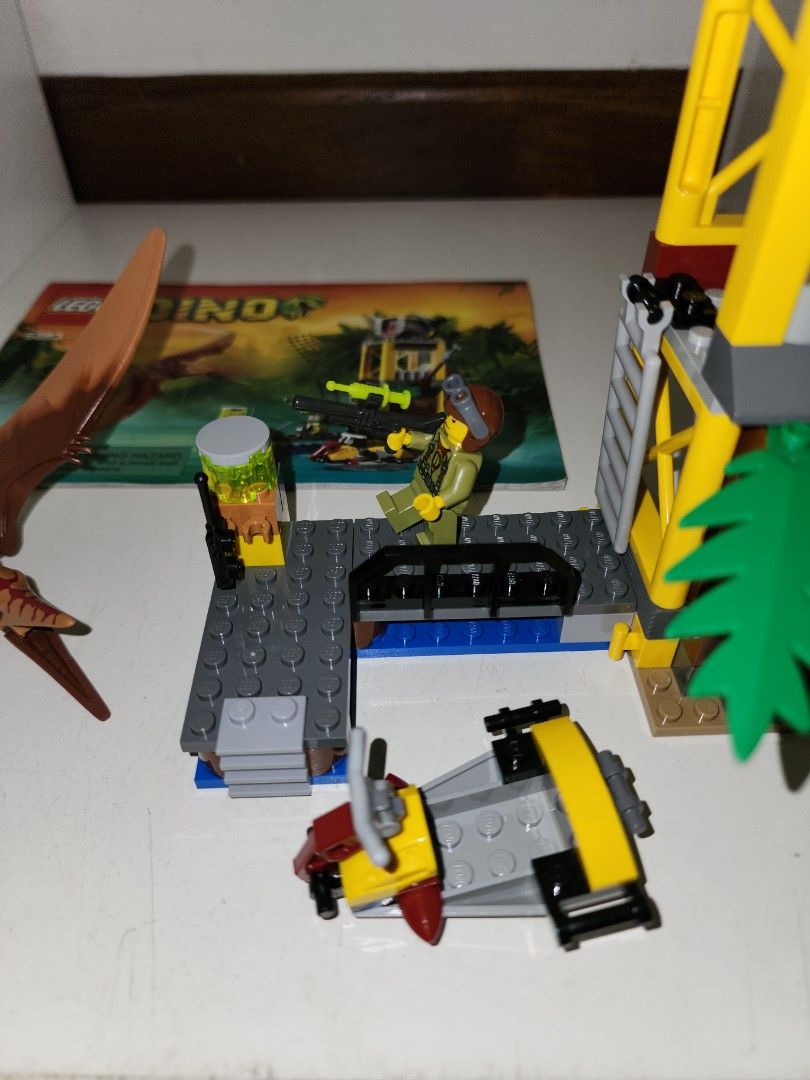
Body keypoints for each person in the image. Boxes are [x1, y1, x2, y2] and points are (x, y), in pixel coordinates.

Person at [376, 374, 504, 545]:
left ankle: (438, 546)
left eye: (455, 420)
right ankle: (398, 519)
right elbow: (428, 442)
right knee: (402, 504)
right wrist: (407, 439)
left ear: (476, 432)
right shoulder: (443, 435)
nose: (448, 420)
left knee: (441, 526)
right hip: (423, 484)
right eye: (450, 415)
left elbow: (459, 492)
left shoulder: (466, 463)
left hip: (444, 506)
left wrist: (438, 502)